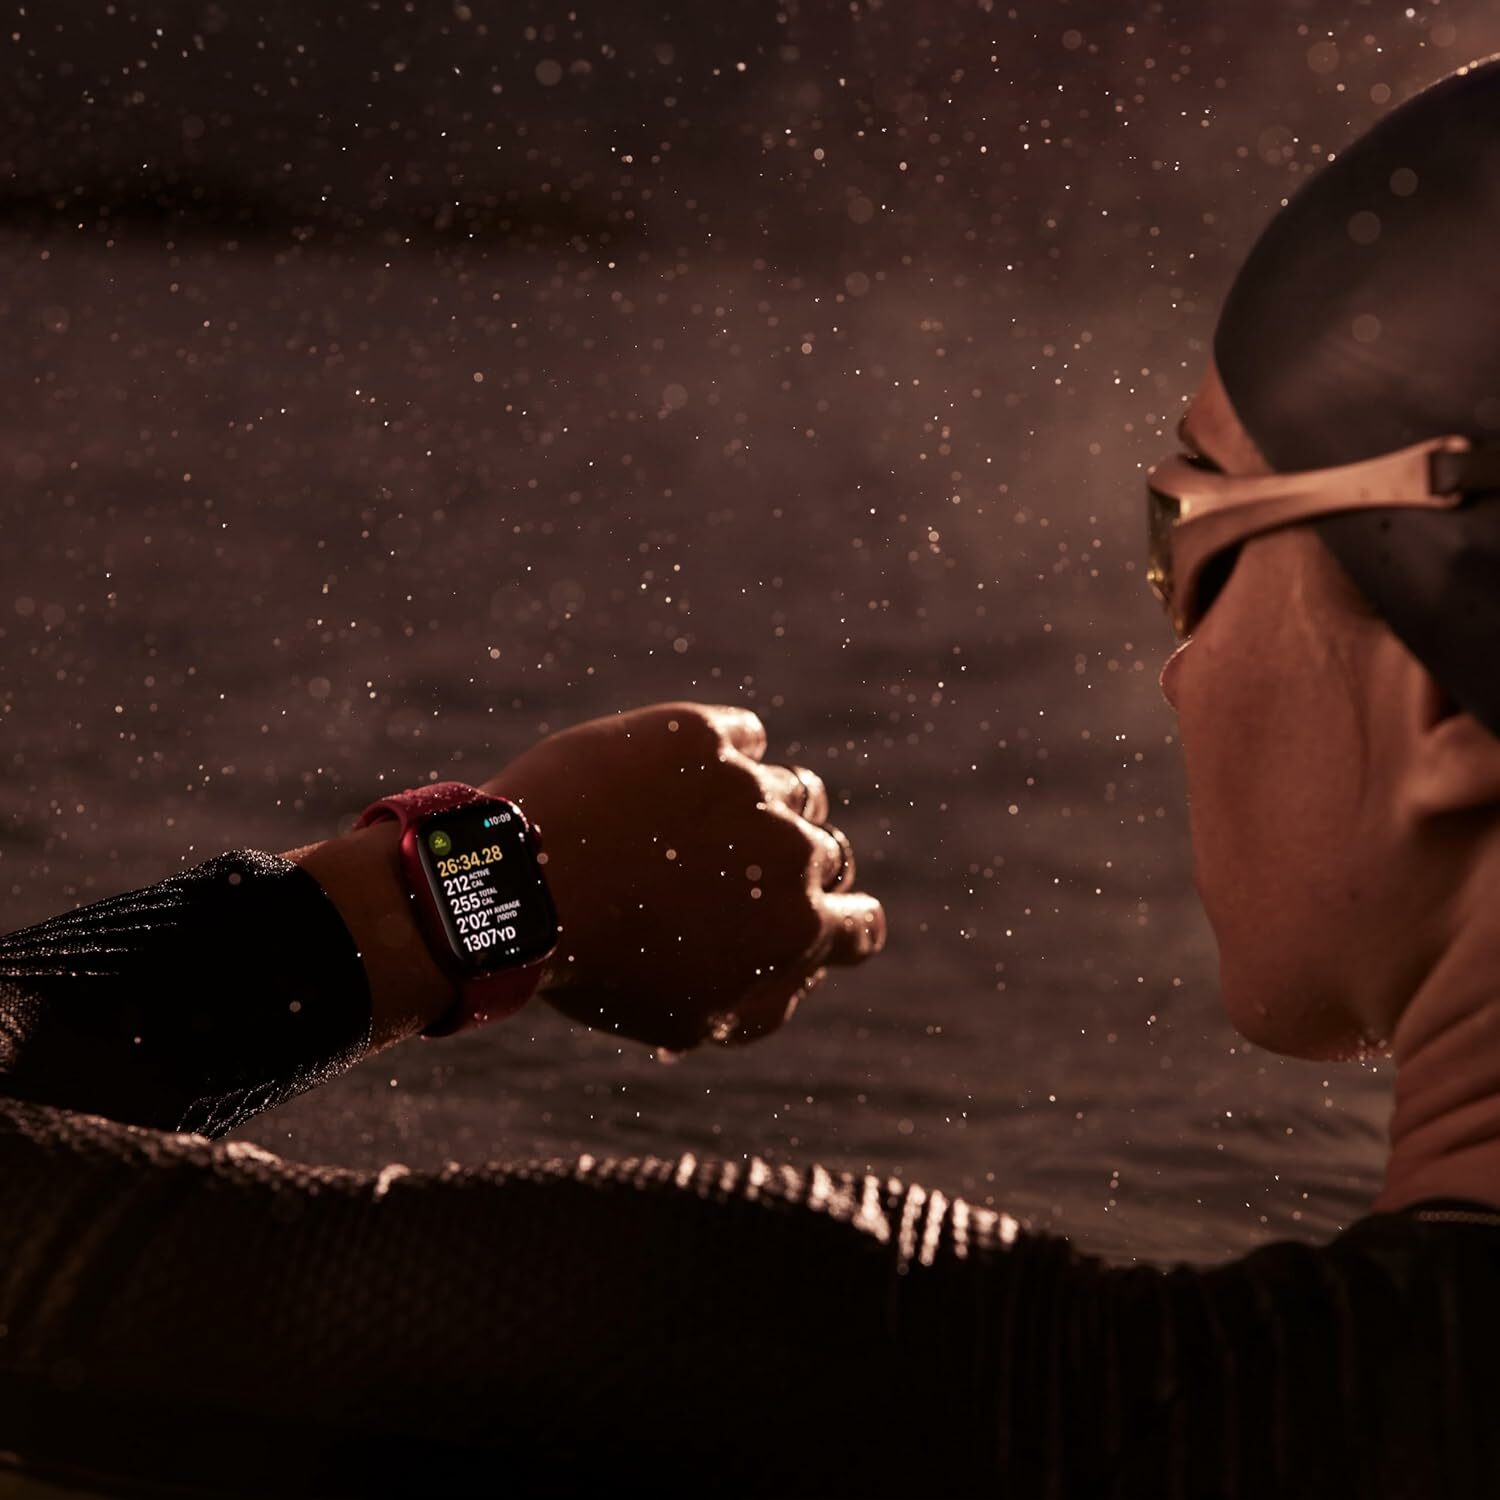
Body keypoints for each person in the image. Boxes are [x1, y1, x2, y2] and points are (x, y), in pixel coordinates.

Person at [5, 53, 1500, 1500]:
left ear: (1444, 695)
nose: (1176, 657)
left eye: (1191, 535)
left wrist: (461, 896)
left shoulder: (975, 1406)